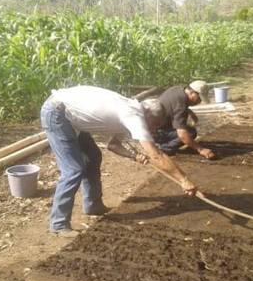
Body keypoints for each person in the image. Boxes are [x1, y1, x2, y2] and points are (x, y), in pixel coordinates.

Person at [40, 85, 197, 237]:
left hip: (72, 115)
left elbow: (113, 145)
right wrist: (184, 180)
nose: (154, 130)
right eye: (154, 125)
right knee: (73, 169)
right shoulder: (133, 116)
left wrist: (134, 156)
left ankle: (93, 206)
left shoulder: (131, 113)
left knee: (93, 156)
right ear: (148, 115)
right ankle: (59, 224)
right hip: (57, 113)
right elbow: (156, 155)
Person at [154, 80, 215, 159]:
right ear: (193, 93)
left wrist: (189, 112)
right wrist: (201, 149)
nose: (199, 102)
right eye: (199, 99)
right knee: (190, 133)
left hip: (154, 125)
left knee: (187, 129)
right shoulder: (181, 105)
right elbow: (182, 134)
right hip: (156, 132)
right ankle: (164, 149)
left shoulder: (177, 89)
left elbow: (173, 106)